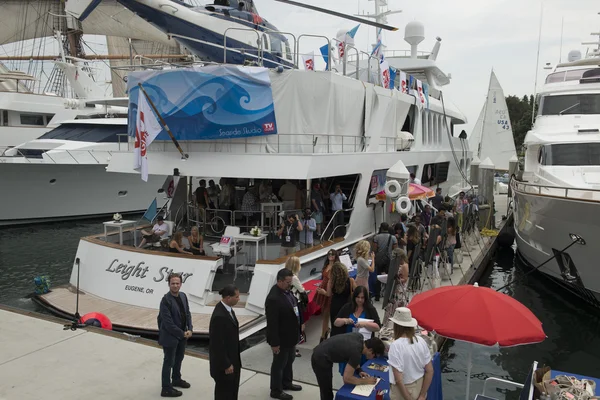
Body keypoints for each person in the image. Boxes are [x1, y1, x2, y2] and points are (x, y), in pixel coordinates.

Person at [265, 268, 303, 399]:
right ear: (279, 281)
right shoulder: (273, 298)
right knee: (279, 364)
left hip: (291, 336)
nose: (290, 284)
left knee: (289, 360)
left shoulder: (287, 292)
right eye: (287, 282)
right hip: (281, 338)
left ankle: (287, 382)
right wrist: (274, 343)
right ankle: (275, 390)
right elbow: (272, 324)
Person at [311, 333, 385, 400]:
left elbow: (351, 356)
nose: (373, 359)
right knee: (326, 391)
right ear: (370, 350)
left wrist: (359, 370)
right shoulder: (356, 353)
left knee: (327, 388)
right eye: (374, 356)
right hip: (319, 358)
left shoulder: (359, 337)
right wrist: (365, 381)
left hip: (323, 349)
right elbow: (347, 379)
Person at [158, 273, 193, 398]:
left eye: (177, 283)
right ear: (169, 284)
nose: (175, 285)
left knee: (179, 358)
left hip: (182, 335)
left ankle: (176, 379)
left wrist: (190, 329)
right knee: (169, 362)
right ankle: (166, 388)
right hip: (170, 336)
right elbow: (168, 323)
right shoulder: (165, 301)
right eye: (173, 283)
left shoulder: (183, 296)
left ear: (181, 284)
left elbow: (187, 313)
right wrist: (182, 333)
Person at [387, 308, 434, 400]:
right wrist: (422, 395)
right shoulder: (421, 340)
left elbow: (399, 380)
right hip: (419, 386)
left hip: (402, 392)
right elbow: (430, 371)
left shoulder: (396, 345)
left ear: (396, 326)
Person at [333, 286, 381, 375]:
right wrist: (345, 320)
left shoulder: (370, 309)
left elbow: (378, 327)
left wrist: (365, 324)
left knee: (362, 372)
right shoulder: (347, 307)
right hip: (347, 346)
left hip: (364, 348)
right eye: (358, 297)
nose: (359, 300)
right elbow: (336, 322)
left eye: (362, 298)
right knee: (347, 374)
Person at [209, 285, 242, 400]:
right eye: (237, 297)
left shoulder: (228, 310)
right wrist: (226, 364)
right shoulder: (219, 316)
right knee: (224, 394)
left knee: (232, 392)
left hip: (233, 361)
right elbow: (217, 344)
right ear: (228, 298)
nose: (239, 299)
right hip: (225, 366)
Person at [285, 256, 307, 358]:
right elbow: (301, 290)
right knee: (296, 324)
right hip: (294, 302)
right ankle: (293, 349)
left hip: (287, 302)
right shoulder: (294, 277)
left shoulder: (284, 274)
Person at [315, 249, 339, 342]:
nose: (331, 256)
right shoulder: (327, 265)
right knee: (324, 314)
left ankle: (325, 334)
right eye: (329, 254)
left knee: (329, 313)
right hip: (323, 288)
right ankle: (324, 332)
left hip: (330, 291)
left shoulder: (335, 267)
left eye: (333, 254)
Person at [328, 262, 356, 338]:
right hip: (346, 304)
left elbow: (329, 294)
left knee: (335, 324)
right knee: (346, 323)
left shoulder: (331, 282)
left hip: (335, 305)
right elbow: (356, 292)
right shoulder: (350, 280)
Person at [383, 250, 410, 325]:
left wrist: (396, 280)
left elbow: (405, 279)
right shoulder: (397, 265)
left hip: (400, 288)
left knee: (397, 305)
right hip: (395, 288)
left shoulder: (404, 265)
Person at [372, 222, 398, 301]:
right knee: (389, 277)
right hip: (389, 259)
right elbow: (395, 249)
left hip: (379, 259)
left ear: (381, 228)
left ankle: (377, 295)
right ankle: (388, 295)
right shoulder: (393, 237)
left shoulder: (376, 237)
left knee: (378, 276)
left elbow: (374, 249)